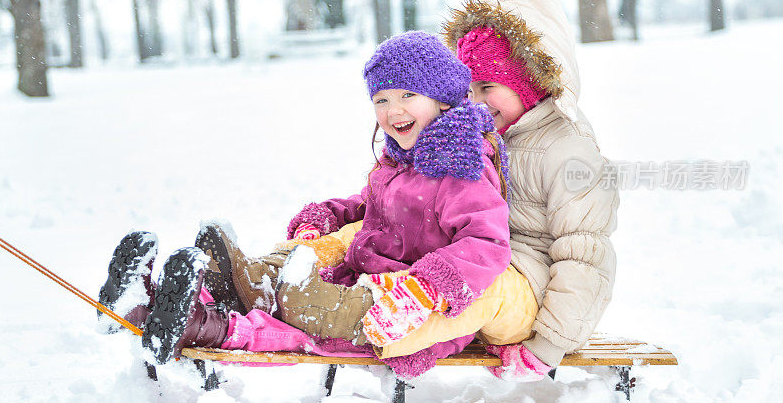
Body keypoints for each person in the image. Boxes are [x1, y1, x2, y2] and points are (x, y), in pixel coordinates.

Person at [98, 31, 535, 378]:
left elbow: (487, 243)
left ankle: (225, 299)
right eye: (381, 99)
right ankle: (157, 299)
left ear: (442, 100)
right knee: (292, 279)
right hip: (364, 279)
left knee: (302, 304)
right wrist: (330, 214)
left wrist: (427, 287)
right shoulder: (405, 156)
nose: (392, 110)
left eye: (407, 96)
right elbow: (371, 204)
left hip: (399, 310)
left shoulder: (462, 166)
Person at [439, 0, 620, 379]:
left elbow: (585, 253)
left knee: (464, 279)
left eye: (488, 86)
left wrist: (549, 345)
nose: (477, 103)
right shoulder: (482, 135)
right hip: (480, 263)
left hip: (528, 290)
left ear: (531, 80)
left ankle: (396, 322)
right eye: (468, 90)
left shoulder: (569, 149)